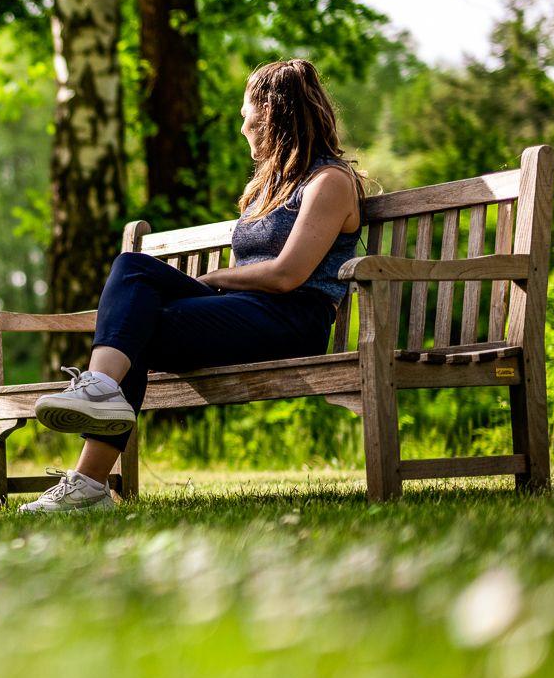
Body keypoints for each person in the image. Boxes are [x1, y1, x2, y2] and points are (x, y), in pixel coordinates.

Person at [20, 59, 366, 514]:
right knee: (132, 283)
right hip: (243, 313)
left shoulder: (330, 182)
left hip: (292, 319)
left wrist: (212, 279)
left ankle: (92, 446)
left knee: (135, 277)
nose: (243, 129)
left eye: (248, 117)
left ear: (274, 116)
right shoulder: (269, 189)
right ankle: (92, 455)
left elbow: (288, 274)